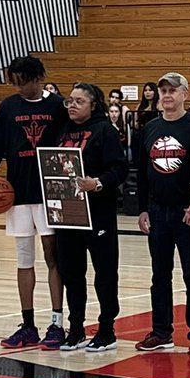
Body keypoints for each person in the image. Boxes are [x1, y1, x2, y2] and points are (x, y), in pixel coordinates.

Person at [0, 55, 68, 349]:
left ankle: (57, 323)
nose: (19, 88)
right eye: (15, 83)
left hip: (50, 194)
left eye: (23, 82)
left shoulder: (57, 107)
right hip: (18, 195)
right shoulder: (7, 107)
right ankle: (28, 325)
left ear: (38, 78)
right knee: (24, 261)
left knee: (53, 259)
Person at [135, 72, 190, 352]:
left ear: (184, 94)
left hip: (186, 212)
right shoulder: (150, 128)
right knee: (159, 274)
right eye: (163, 90)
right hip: (157, 211)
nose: (167, 95)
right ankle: (161, 330)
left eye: (172, 91)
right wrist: (142, 209)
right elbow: (142, 172)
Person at [52, 83, 129, 352]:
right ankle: (76, 328)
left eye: (79, 101)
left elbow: (120, 168)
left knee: (105, 273)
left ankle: (107, 329)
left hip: (98, 213)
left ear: (93, 104)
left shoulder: (104, 130)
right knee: (71, 273)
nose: (72, 105)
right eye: (70, 101)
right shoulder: (62, 130)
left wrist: (97, 183)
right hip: (67, 212)